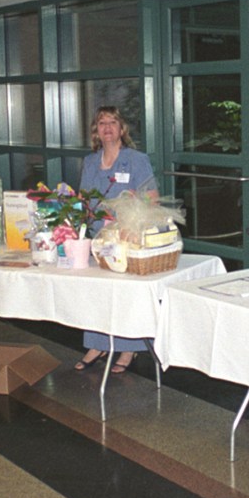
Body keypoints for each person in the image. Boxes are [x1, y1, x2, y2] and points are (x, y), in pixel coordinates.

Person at [74, 106, 156, 373]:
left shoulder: (136, 160)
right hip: (99, 240)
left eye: (112, 122)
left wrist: (132, 209)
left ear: (122, 129)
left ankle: (128, 349)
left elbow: (151, 199)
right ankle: (97, 345)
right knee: (96, 294)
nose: (107, 127)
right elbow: (84, 200)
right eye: (102, 123)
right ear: (95, 131)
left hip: (126, 239)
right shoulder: (90, 162)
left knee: (124, 296)